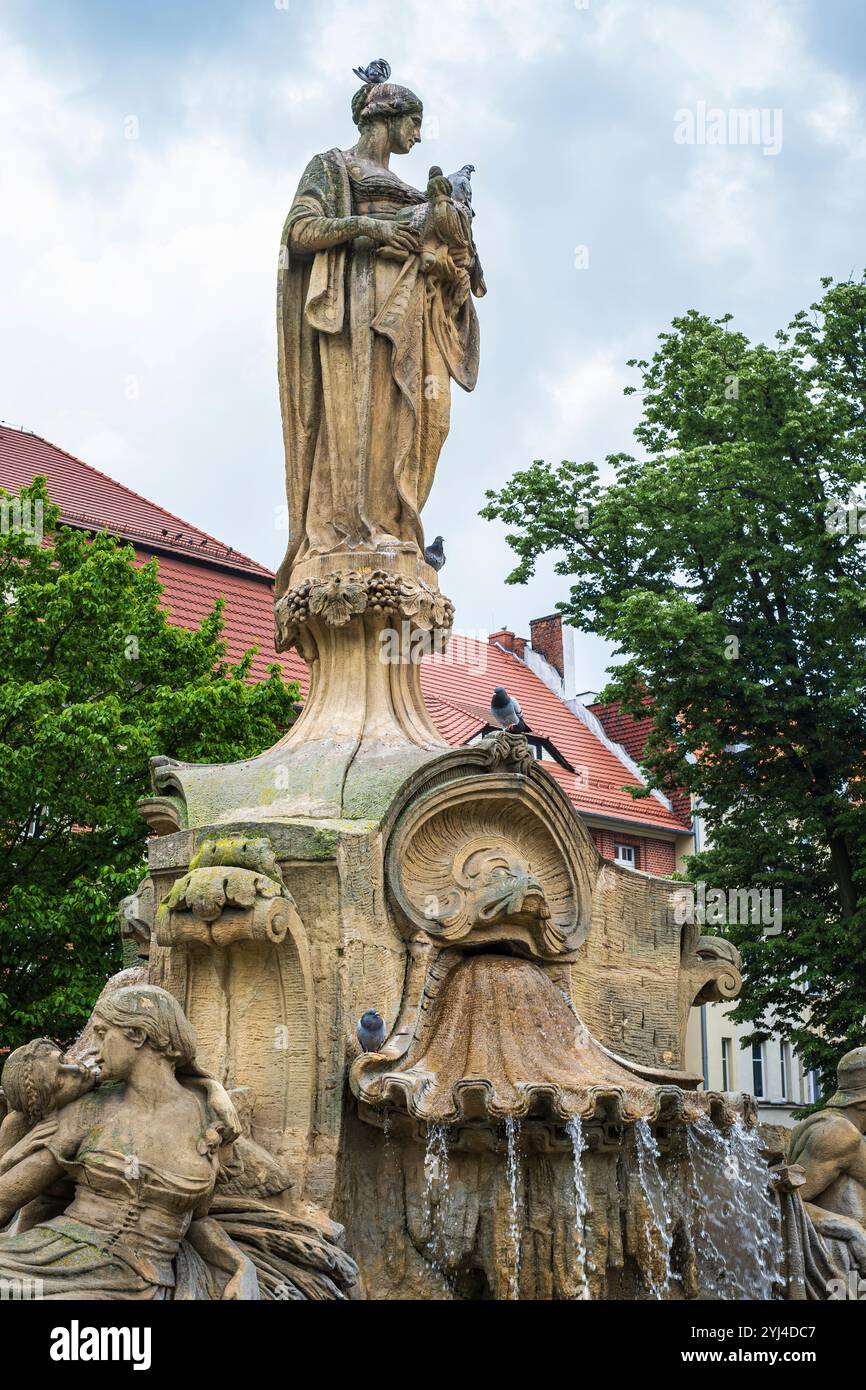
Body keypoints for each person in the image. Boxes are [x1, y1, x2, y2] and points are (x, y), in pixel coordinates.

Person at [275, 58, 484, 590]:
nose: (418, 133)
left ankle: (395, 521)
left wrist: (450, 261)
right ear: (385, 117)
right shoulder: (334, 167)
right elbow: (300, 230)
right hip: (356, 310)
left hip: (410, 312)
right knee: (357, 416)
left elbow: (454, 251)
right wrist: (365, 226)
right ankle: (351, 528)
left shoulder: (415, 190)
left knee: (425, 422)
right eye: (413, 120)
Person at [0, 984, 257, 1299]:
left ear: (137, 1035)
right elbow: (6, 1197)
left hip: (136, 1279)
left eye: (102, 1033)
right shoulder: (88, 1109)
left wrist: (242, 1267)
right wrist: (12, 1155)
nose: (93, 1049)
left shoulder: (211, 1120)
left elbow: (196, 1219)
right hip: (50, 1254)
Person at [789, 1046, 866, 1279]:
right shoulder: (840, 1134)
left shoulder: (831, 1127)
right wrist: (851, 1229)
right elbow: (786, 1202)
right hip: (841, 1269)